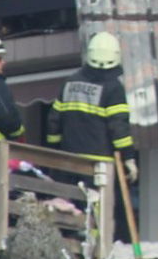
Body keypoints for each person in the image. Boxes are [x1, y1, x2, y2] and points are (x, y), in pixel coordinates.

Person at [47, 30, 135, 162]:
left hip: (68, 159)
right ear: (116, 56)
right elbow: (118, 127)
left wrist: (54, 149)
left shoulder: (70, 82)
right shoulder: (114, 88)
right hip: (99, 164)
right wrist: (129, 157)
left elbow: (54, 121)